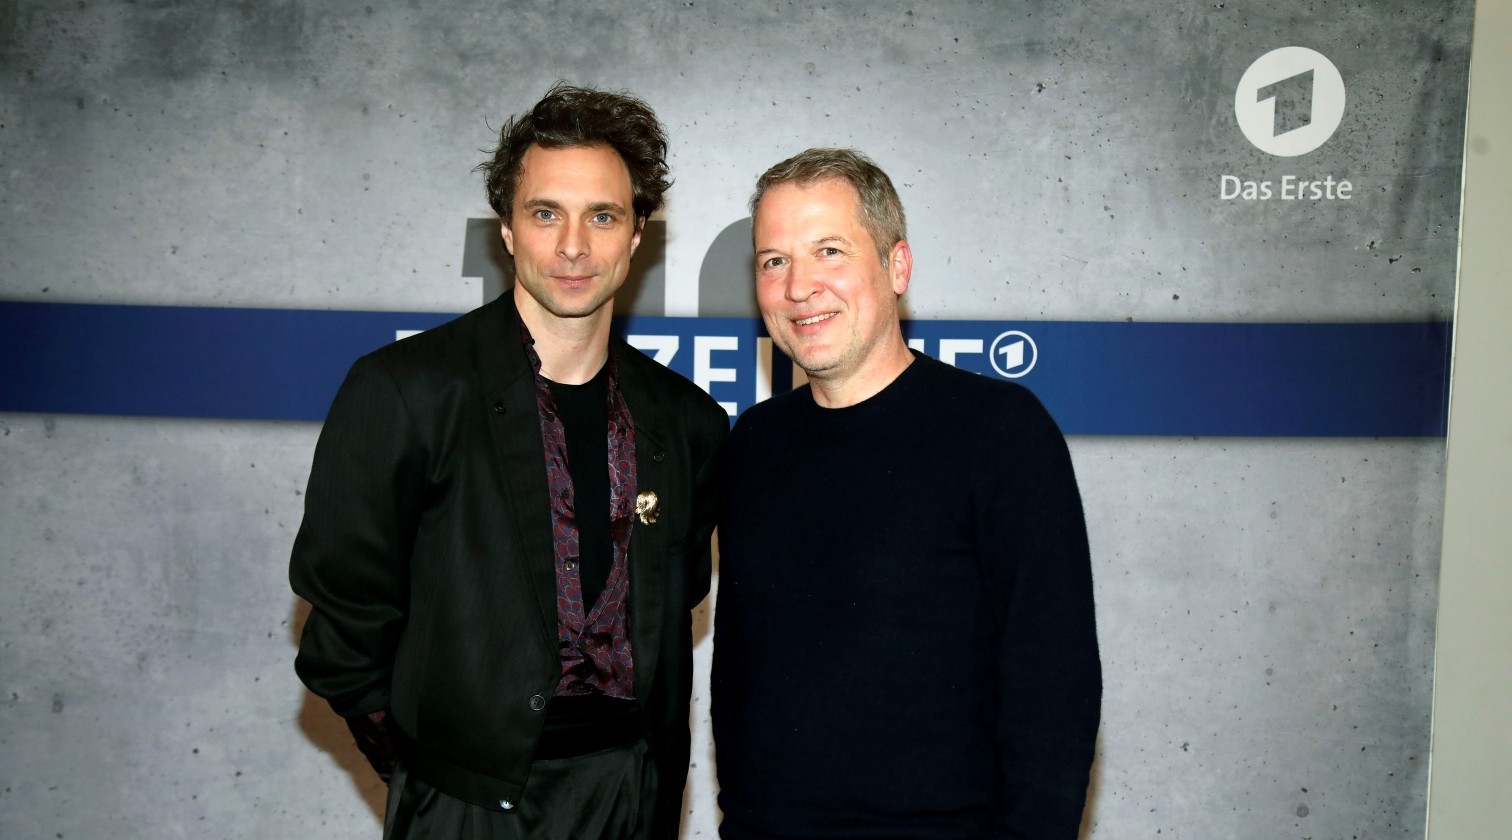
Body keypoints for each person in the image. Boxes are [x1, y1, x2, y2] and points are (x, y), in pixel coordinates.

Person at [291, 83, 728, 840]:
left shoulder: (686, 419)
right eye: (545, 212)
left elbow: (680, 588)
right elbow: (345, 611)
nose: (572, 247)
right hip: (465, 803)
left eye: (603, 216)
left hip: (631, 796)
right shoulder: (406, 390)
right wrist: (436, 770)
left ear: (636, 235)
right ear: (506, 229)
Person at [711, 148, 1101, 839]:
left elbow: (1055, 689)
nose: (800, 286)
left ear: (897, 266)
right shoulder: (753, 445)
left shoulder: (999, 433)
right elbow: (739, 677)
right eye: (775, 260)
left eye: (829, 251)